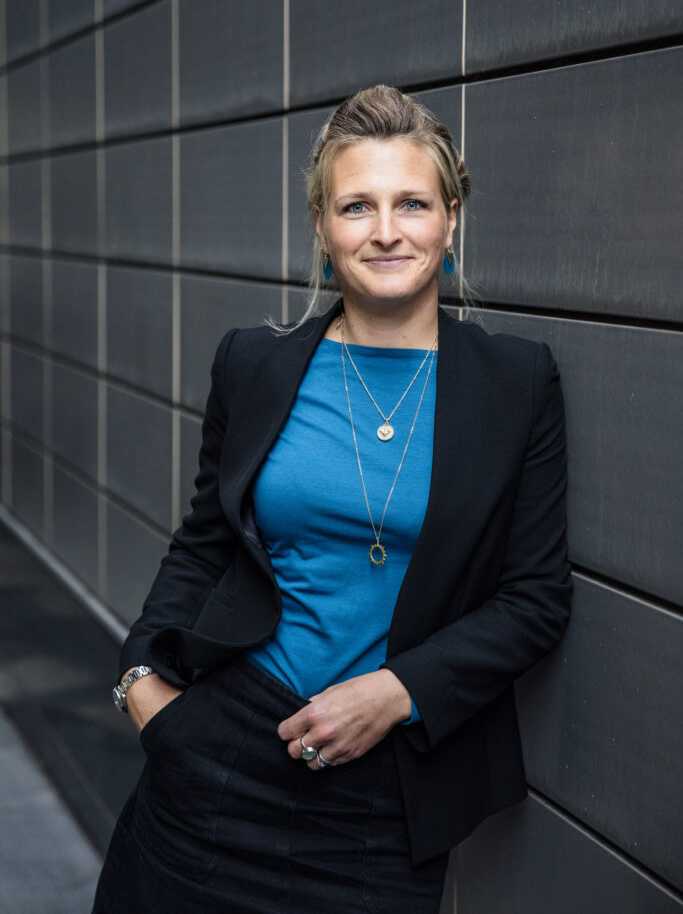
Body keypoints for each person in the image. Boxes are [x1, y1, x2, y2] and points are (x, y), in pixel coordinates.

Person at [93, 85, 571, 913]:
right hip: (215, 760)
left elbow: (534, 599)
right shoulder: (254, 362)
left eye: (412, 203)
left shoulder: (516, 383)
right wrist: (140, 679)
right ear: (321, 227)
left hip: (387, 794)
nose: (385, 231)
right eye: (356, 206)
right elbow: (204, 540)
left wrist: (396, 692)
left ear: (450, 217)